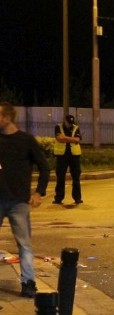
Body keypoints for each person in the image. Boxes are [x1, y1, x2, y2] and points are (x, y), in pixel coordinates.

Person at [0, 101, 50, 298]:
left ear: (7, 118)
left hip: (19, 202)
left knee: (24, 245)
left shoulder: (26, 141)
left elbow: (44, 167)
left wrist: (39, 193)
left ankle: (28, 283)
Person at [53, 113, 83, 205]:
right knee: (60, 177)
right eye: (68, 123)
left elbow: (77, 140)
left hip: (74, 155)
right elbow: (59, 139)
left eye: (71, 123)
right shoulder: (58, 127)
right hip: (62, 155)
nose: (70, 124)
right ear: (64, 121)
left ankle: (77, 198)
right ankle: (58, 198)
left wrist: (65, 137)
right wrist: (72, 139)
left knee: (76, 177)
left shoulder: (75, 127)